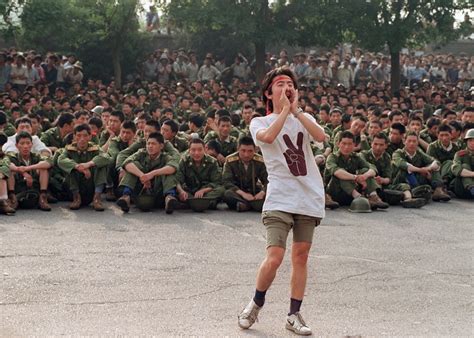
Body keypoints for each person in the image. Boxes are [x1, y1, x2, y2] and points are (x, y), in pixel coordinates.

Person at [238, 67, 326, 335]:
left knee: (301, 256)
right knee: (275, 256)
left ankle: (293, 314)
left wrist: (296, 111)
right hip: (279, 197)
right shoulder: (259, 122)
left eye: (290, 83)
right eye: (280, 84)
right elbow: (267, 138)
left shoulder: (304, 117)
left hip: (308, 195)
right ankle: (255, 303)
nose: (286, 87)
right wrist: (285, 111)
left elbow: (321, 137)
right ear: (268, 92)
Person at [116, 132, 179, 213]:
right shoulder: (141, 153)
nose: (150, 146)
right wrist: (142, 176)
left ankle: (169, 198)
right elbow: (127, 163)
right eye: (148, 143)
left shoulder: (165, 157)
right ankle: (126, 197)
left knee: (166, 170)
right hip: (140, 191)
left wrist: (152, 174)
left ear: (161, 146)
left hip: (159, 193)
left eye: (153, 144)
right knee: (134, 165)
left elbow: (173, 167)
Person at [57, 124, 110, 211]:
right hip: (74, 188)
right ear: (74, 136)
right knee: (71, 168)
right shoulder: (69, 149)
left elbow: (106, 157)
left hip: (91, 188)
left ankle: (97, 198)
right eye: (78, 135)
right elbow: (60, 160)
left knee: (101, 166)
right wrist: (77, 166)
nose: (82, 139)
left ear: (90, 137)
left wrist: (89, 164)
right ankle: (76, 198)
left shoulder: (95, 148)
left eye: (85, 136)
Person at [7, 131, 52, 211]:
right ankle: (12, 197)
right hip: (18, 187)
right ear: (16, 146)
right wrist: (21, 171)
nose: (25, 146)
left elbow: (48, 163)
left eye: (28, 143)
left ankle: (43, 197)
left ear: (32, 144)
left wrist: (27, 168)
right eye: (22, 143)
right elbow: (6, 163)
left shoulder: (36, 156)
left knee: (43, 168)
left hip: (35, 186)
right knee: (9, 169)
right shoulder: (12, 156)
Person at [175, 138, 224, 211]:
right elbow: (178, 181)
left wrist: (203, 190)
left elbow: (217, 182)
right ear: (189, 151)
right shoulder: (184, 161)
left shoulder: (212, 162)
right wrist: (181, 191)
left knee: (221, 190)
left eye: (200, 150)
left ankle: (193, 203)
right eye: (193, 150)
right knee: (176, 190)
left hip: (206, 193)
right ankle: (205, 204)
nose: (196, 153)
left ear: (204, 149)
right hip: (190, 192)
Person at [222, 136, 268, 211]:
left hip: (254, 192)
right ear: (238, 149)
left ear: (255, 150)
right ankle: (254, 205)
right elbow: (226, 181)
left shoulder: (260, 161)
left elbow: (268, 180)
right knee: (227, 194)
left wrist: (262, 192)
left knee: (271, 193)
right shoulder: (230, 160)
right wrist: (243, 194)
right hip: (238, 193)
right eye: (243, 151)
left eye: (250, 151)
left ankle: (246, 206)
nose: (246, 154)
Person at [450, 128, 474, 199]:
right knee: (464, 166)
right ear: (466, 141)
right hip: (461, 188)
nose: (473, 143)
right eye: (470, 140)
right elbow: (456, 168)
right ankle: (472, 188)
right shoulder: (460, 154)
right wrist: (472, 174)